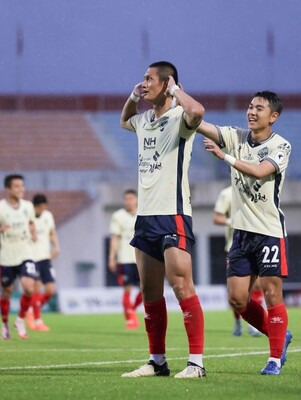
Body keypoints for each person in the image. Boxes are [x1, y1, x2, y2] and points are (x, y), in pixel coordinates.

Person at [119, 61, 206, 379]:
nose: (143, 83)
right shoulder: (143, 120)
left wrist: (176, 91)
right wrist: (132, 96)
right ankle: (157, 361)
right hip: (145, 218)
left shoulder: (181, 118)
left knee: (182, 286)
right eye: (142, 79)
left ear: (167, 82)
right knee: (150, 292)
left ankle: (196, 363)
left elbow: (198, 111)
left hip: (173, 214)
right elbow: (124, 120)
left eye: (148, 79)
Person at [198, 91, 293, 375]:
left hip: (268, 232)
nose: (251, 112)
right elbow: (202, 123)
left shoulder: (281, 146)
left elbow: (260, 171)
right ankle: (280, 336)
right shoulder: (237, 136)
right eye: (250, 106)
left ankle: (274, 359)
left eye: (259, 108)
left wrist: (223, 156)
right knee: (238, 300)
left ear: (273, 117)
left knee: (271, 294)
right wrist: (176, 97)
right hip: (240, 234)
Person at [0, 174, 38, 340]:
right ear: (7, 189)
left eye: (22, 186)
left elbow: (31, 221)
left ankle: (20, 319)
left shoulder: (28, 206)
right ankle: (5, 324)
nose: (21, 189)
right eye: (17, 186)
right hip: (7, 256)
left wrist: (33, 232)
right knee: (7, 291)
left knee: (29, 287)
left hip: (25, 253)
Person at [213, 185, 264, 337]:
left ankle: (254, 325)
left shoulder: (258, 189)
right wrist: (233, 221)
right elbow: (217, 218)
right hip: (234, 247)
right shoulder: (227, 193)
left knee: (257, 286)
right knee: (237, 293)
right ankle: (237, 321)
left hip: (256, 244)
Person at [25, 193, 60, 332]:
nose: (42, 210)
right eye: (40, 207)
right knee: (36, 287)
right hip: (32, 258)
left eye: (44, 207)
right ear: (35, 207)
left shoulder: (48, 216)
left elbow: (51, 232)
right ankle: (38, 320)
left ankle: (31, 310)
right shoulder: (28, 216)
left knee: (50, 290)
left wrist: (57, 246)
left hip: (45, 257)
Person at [108, 189, 142, 329]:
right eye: (126, 199)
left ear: (137, 199)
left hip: (141, 258)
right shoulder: (118, 216)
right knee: (127, 289)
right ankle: (130, 318)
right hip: (125, 258)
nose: (129, 201)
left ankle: (132, 310)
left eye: (131, 198)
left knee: (146, 289)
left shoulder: (143, 214)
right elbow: (115, 238)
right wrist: (112, 257)